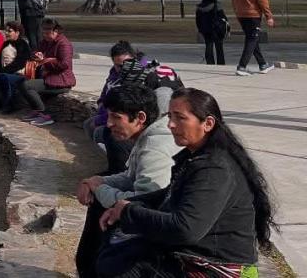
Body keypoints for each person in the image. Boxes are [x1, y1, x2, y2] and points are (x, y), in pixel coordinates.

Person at [97, 89, 274, 278]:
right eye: (170, 116)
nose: (171, 125)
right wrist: (125, 206)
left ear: (207, 123)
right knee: (114, 249)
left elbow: (185, 229)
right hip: (193, 254)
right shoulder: (194, 156)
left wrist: (128, 211)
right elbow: (169, 193)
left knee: (121, 266)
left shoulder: (215, 169)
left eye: (180, 118)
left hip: (217, 267)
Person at [75, 86, 181, 278]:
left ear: (140, 118)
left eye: (116, 117)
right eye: (108, 116)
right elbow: (130, 176)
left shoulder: (154, 149)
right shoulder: (146, 136)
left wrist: (99, 189)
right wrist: (95, 181)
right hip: (150, 214)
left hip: (163, 229)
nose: (108, 123)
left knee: (107, 241)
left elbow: (144, 202)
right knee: (99, 203)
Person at [86, 41, 184, 174]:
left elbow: (158, 123)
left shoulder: (162, 92)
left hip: (161, 135)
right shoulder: (132, 74)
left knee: (113, 134)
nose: (121, 69)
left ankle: (121, 170)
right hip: (149, 129)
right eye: (118, 66)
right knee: (108, 131)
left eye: (124, 65)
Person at [20, 18, 76, 126]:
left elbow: (64, 64)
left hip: (61, 81)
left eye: (48, 33)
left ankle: (43, 113)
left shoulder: (64, 44)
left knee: (26, 85)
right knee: (23, 82)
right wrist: (36, 55)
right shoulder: (45, 42)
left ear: (56, 31)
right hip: (48, 77)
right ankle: (38, 111)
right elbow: (36, 51)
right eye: (43, 33)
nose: (45, 35)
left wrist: (44, 60)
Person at [231, 0, 275, 76]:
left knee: (252, 38)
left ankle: (263, 64)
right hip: (253, 14)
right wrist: (268, 15)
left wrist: (237, 10)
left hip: (241, 13)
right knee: (252, 39)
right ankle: (242, 66)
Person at [0, 21, 31, 113]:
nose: (6, 33)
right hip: (5, 72)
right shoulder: (6, 43)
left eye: (9, 31)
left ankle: (9, 105)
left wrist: (2, 71)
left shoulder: (22, 44)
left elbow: (19, 63)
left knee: (5, 78)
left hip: (19, 73)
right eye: (6, 31)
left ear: (17, 33)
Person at [194, 0, 228, 66]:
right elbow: (223, 17)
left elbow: (197, 20)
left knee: (208, 46)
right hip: (216, 29)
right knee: (219, 47)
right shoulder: (217, 5)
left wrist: (200, 29)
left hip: (205, 30)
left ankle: (210, 63)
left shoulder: (199, 7)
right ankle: (221, 63)